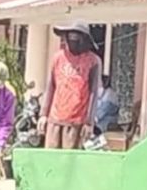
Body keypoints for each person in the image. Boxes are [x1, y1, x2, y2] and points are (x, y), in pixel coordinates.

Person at [38, 23, 102, 151]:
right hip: (55, 119)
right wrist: (43, 114)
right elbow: (51, 86)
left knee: (69, 161)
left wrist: (89, 123)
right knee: (51, 159)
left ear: (84, 39)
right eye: (70, 35)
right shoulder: (58, 58)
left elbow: (93, 93)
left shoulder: (93, 61)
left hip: (76, 122)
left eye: (77, 36)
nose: (73, 39)